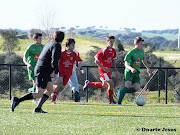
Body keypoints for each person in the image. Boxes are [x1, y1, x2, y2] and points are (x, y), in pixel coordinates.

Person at [11, 31, 65, 113]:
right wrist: (55, 72)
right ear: (62, 39)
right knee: (39, 93)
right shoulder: (57, 45)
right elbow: (54, 60)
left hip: (43, 70)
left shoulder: (49, 44)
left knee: (50, 89)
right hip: (42, 70)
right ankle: (18, 100)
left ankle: (38, 108)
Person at [116, 37, 151, 106]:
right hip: (129, 72)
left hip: (136, 72)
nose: (142, 46)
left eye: (142, 44)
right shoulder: (131, 52)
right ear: (135, 44)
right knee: (128, 86)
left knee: (137, 88)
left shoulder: (142, 51)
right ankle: (119, 102)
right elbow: (126, 63)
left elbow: (144, 60)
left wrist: (148, 68)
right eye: (140, 44)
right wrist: (131, 68)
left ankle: (121, 91)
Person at [83, 35, 118, 104]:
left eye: (113, 41)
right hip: (103, 71)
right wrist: (104, 68)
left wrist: (115, 68)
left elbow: (113, 60)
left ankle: (88, 83)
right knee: (111, 84)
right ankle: (111, 101)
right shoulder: (103, 50)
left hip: (108, 71)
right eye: (110, 41)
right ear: (107, 42)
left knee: (104, 86)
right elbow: (96, 61)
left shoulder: (114, 50)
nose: (111, 43)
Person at [51, 38, 83, 103]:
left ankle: (54, 91)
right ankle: (53, 99)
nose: (73, 47)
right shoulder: (62, 52)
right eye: (72, 45)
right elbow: (56, 61)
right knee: (60, 84)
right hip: (61, 71)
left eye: (74, 45)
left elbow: (80, 61)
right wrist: (54, 70)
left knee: (62, 87)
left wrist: (78, 70)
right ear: (67, 45)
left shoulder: (75, 53)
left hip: (68, 72)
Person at [23, 33, 44, 103]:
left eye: (41, 38)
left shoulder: (42, 47)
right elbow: (24, 58)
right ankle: (33, 97)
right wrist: (28, 64)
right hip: (32, 67)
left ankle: (31, 91)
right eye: (39, 38)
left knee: (40, 83)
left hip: (40, 68)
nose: (41, 40)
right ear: (35, 39)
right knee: (35, 82)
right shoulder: (31, 47)